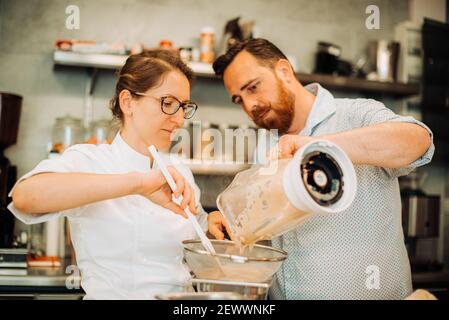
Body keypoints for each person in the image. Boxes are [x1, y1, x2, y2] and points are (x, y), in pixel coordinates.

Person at [210, 38, 434, 300]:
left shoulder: (356, 115)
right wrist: (233, 221)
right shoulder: (265, 145)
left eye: (253, 87)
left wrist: (319, 147)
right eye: (238, 99)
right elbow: (273, 225)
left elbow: (419, 141)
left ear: (284, 71)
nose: (249, 106)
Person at [9, 50, 223, 299]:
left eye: (183, 106)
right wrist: (138, 184)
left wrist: (210, 226)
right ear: (128, 102)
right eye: (168, 103)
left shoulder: (180, 170)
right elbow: (25, 197)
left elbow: (194, 240)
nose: (178, 119)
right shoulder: (90, 160)